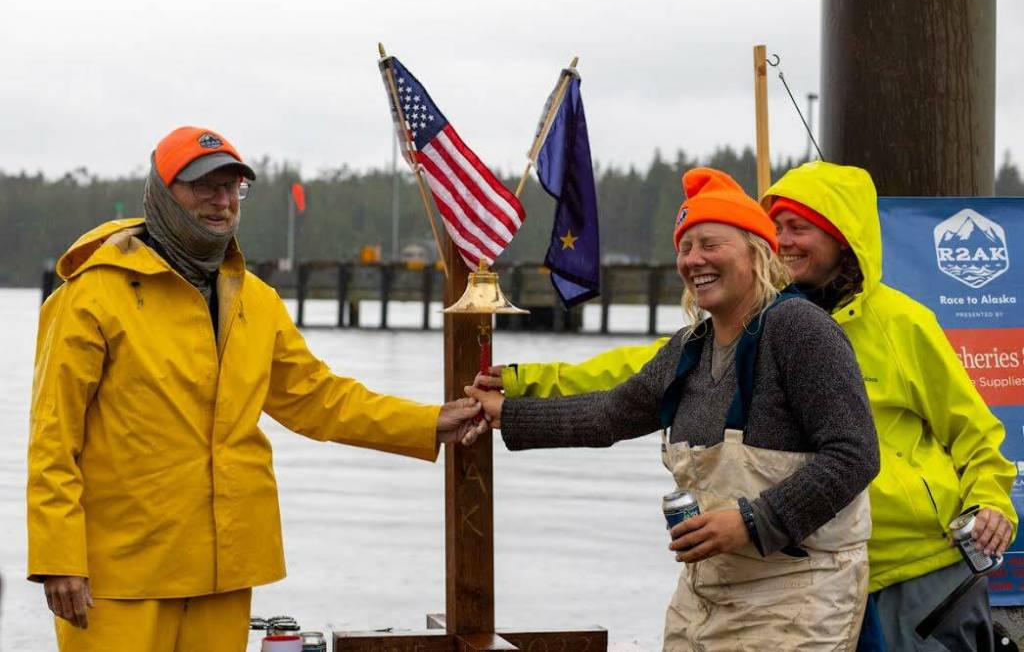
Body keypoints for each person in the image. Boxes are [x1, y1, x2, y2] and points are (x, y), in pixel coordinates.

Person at [482, 160, 1017, 651]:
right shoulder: (712, 336)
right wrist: (512, 394)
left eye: (797, 228)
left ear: (841, 236)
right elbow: (620, 397)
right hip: (760, 575)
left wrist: (992, 501)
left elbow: (914, 443)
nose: (783, 240)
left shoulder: (844, 326)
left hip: (898, 568)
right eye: (775, 226)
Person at [26, 126, 481, 652]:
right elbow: (52, 437)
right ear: (161, 193)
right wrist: (58, 558)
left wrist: (427, 422)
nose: (222, 202)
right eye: (204, 187)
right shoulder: (90, 295)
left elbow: (318, 399)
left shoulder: (257, 300)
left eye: (233, 188)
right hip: (120, 576)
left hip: (227, 569)